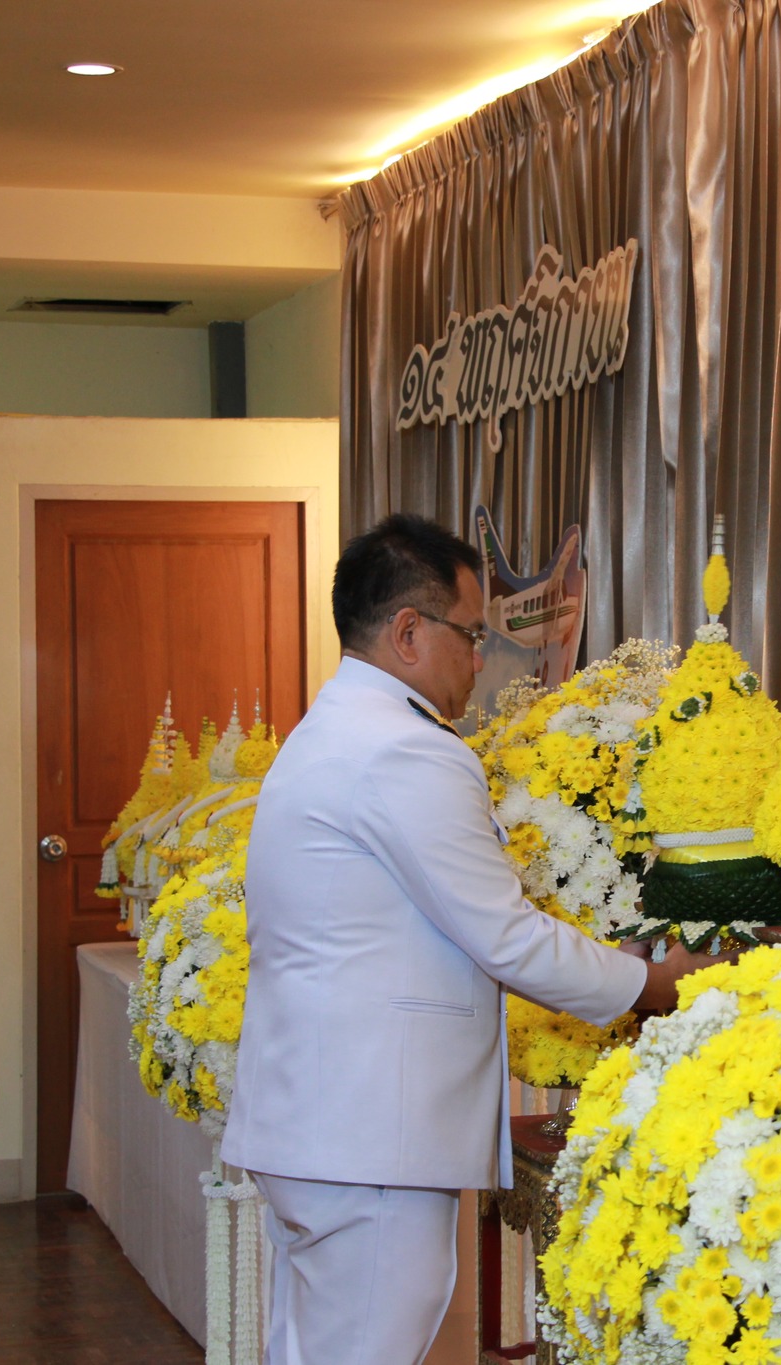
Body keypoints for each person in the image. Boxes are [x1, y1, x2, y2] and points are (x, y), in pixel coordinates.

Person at [222, 513, 715, 1365]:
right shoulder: (404, 750)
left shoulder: (329, 731)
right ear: (409, 633)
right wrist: (653, 985)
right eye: (471, 635)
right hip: (368, 1135)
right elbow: (505, 937)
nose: (482, 659)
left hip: (318, 1124)